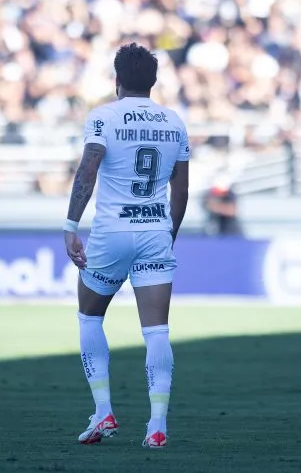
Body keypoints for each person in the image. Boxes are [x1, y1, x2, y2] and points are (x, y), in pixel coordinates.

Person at [62, 43, 190, 449]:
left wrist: (70, 225)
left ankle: (104, 412)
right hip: (155, 230)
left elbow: (89, 168)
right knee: (157, 331)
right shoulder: (174, 122)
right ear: (153, 82)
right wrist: (167, 234)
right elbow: (181, 188)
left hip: (111, 234)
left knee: (89, 318)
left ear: (116, 81)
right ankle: (157, 425)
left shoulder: (103, 118)